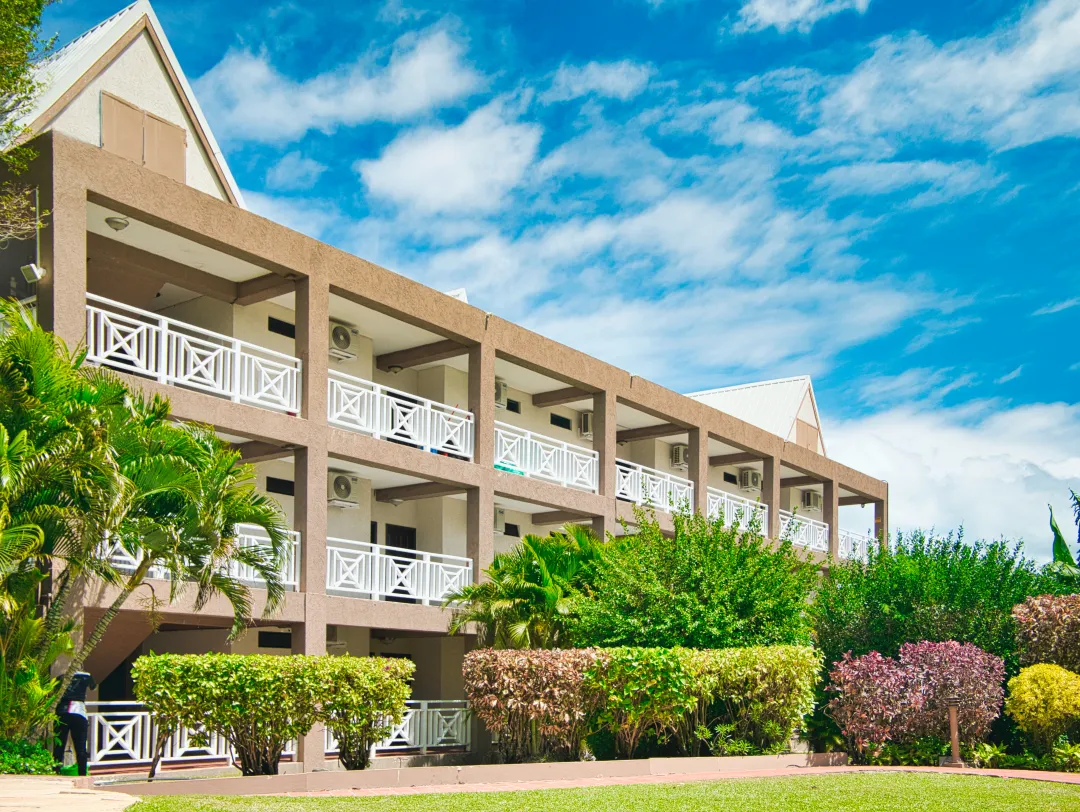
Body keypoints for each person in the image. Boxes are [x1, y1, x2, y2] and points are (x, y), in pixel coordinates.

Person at [53, 671, 96, 776]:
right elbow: (93, 687)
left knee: (59, 746)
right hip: (79, 712)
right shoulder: (86, 676)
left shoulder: (62, 677)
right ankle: (82, 774)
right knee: (81, 748)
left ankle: (56, 772)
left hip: (62, 712)